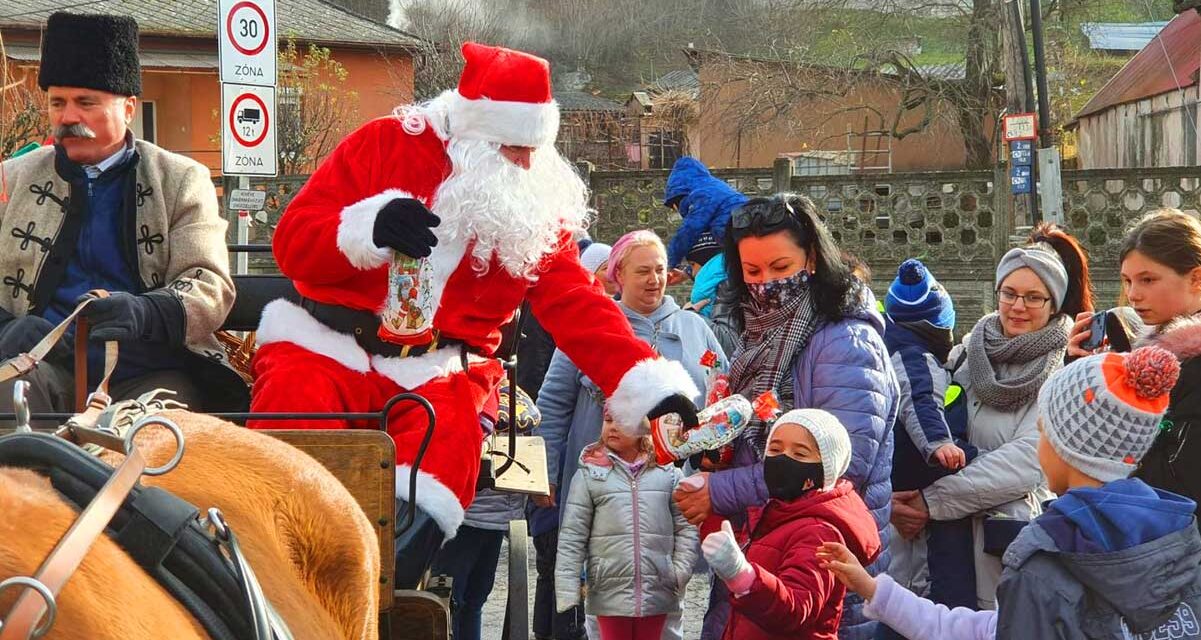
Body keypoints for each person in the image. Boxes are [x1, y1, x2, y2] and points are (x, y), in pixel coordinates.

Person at [248, 42, 702, 586]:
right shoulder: (384, 145)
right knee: (294, 406)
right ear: (473, 132)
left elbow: (578, 305)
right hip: (325, 341)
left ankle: (377, 587)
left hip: (435, 369)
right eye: (513, 147)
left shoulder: (532, 207)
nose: (526, 164)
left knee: (449, 441)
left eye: (535, 148)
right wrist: (368, 226)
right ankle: (266, 570)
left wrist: (648, 384)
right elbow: (294, 240)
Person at [819, 346, 1200, 640]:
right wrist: (876, 592)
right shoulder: (1181, 537)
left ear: (1063, 445)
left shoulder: (1044, 556)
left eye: (1042, 429)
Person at [671, 194, 898, 640]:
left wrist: (722, 490)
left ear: (811, 258)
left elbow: (841, 465)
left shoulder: (845, 341)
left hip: (820, 560)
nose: (766, 284)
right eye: (752, 272)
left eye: (779, 268)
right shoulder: (756, 332)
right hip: (757, 543)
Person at [0, 12, 243, 417]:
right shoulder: (12, 178)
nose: (68, 118)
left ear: (129, 108)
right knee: (9, 401)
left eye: (86, 103)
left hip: (149, 374)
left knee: (156, 425)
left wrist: (146, 311)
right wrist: (7, 327)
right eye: (57, 102)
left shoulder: (181, 179)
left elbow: (210, 285)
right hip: (39, 364)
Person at [538, 230, 722, 639]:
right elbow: (552, 404)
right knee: (605, 585)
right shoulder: (590, 325)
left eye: (660, 270)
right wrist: (546, 473)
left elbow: (720, 387)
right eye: (643, 271)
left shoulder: (693, 327)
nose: (654, 279)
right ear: (618, 274)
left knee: (665, 588)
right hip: (602, 482)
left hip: (670, 487)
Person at [888, 241, 1081, 611]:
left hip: (1000, 547)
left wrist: (931, 501)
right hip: (928, 547)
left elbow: (1029, 461)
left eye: (1033, 297)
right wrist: (898, 501)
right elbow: (914, 428)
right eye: (1009, 293)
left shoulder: (1064, 373)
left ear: (1053, 303)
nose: (1018, 306)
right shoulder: (962, 353)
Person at [700, 409, 881, 639]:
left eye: (800, 454)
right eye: (775, 449)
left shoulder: (819, 532)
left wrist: (742, 575)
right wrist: (710, 518)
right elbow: (757, 551)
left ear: (826, 468)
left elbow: (796, 610)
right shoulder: (775, 511)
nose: (783, 459)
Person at [1068, 208, 1201, 514]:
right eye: (1127, 281)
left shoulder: (1190, 367)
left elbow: (1177, 480)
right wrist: (1082, 375)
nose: (1133, 295)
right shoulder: (1147, 355)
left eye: (1147, 280)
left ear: (1196, 277)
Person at [881, 259, 980, 613]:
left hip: (895, 475)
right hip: (912, 466)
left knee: (901, 565)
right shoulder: (913, 355)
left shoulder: (888, 342)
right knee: (914, 576)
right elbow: (919, 401)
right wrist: (940, 444)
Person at [525, 237, 609, 640]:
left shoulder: (681, 327)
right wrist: (548, 475)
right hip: (566, 471)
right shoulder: (568, 326)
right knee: (556, 580)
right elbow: (551, 404)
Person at [555, 413, 698, 640]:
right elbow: (572, 538)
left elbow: (686, 527)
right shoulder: (589, 476)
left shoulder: (669, 475)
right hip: (608, 592)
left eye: (622, 420)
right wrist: (567, 596)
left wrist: (679, 572)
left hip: (657, 590)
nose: (612, 427)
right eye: (608, 420)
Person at [663, 157, 748, 275]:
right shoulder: (715, 187)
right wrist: (687, 272)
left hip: (734, 234)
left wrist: (669, 262)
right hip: (744, 233)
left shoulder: (701, 195)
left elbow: (690, 230)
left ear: (676, 201)